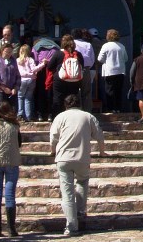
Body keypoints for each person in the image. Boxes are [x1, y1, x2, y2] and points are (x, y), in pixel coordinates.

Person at [49, 94, 106, 236]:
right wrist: (102, 151)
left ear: (65, 105)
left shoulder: (60, 117)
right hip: (82, 157)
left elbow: (53, 138)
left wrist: (52, 151)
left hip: (63, 158)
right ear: (79, 104)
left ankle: (71, 226)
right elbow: (99, 135)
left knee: (67, 193)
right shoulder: (88, 116)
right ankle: (80, 211)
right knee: (82, 181)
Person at [0, 102, 22, 237]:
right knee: (10, 195)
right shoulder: (15, 126)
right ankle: (11, 228)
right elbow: (19, 143)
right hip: (12, 161)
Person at [47, 34, 84, 119]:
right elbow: (82, 66)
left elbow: (49, 67)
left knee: (58, 98)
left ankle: (57, 118)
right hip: (75, 80)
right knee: (72, 99)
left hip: (60, 80)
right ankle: (73, 118)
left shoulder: (58, 53)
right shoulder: (78, 54)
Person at [97, 29, 128, 113]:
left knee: (109, 91)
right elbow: (126, 58)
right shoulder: (121, 46)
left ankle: (110, 109)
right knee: (118, 91)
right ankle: (118, 108)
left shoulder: (106, 46)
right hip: (120, 71)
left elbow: (100, 59)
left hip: (109, 71)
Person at [16, 44, 46, 122]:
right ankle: (28, 116)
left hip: (22, 81)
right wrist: (43, 64)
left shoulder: (18, 60)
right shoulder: (30, 60)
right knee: (28, 98)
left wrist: (27, 74)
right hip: (31, 80)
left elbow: (20, 72)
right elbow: (34, 69)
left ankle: (20, 114)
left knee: (20, 97)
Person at [0, 43, 22, 111]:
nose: (8, 54)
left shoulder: (13, 60)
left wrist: (15, 88)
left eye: (10, 52)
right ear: (2, 51)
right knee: (2, 110)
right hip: (0, 90)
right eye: (6, 52)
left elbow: (18, 75)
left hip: (12, 90)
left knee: (12, 110)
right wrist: (4, 88)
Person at [72, 28, 96, 112]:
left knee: (73, 90)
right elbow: (92, 59)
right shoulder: (88, 45)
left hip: (72, 68)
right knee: (86, 92)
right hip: (86, 69)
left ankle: (75, 110)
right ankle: (87, 111)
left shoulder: (71, 44)